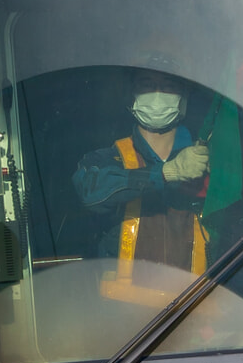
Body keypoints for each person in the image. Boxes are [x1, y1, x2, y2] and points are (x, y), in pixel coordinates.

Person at [73, 69, 211, 282]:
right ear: (131, 95)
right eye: (147, 84)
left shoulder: (208, 162)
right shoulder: (107, 160)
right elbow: (90, 192)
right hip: (124, 309)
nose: (157, 95)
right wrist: (167, 172)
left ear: (185, 96)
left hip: (194, 305)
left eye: (168, 85)